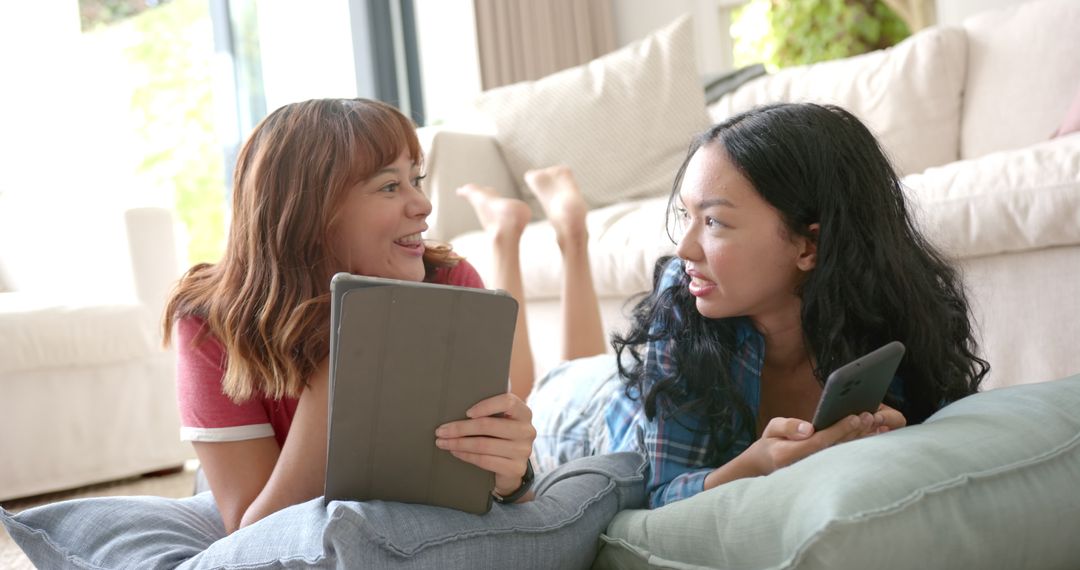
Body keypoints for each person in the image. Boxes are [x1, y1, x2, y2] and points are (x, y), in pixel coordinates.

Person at [457, 102, 989, 509]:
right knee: (524, 386)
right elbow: (656, 493)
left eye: (713, 222)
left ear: (809, 245)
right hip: (581, 418)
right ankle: (525, 235)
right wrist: (752, 466)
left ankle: (569, 231)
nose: (684, 249)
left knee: (588, 362)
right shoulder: (681, 301)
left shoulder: (892, 317)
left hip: (630, 381)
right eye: (688, 216)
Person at [162, 98, 536, 534]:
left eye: (415, 180)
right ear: (311, 212)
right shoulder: (209, 325)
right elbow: (253, 537)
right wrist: (344, 357)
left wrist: (513, 479)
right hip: (249, 490)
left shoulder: (449, 284)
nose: (423, 205)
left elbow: (509, 497)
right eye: (389, 187)